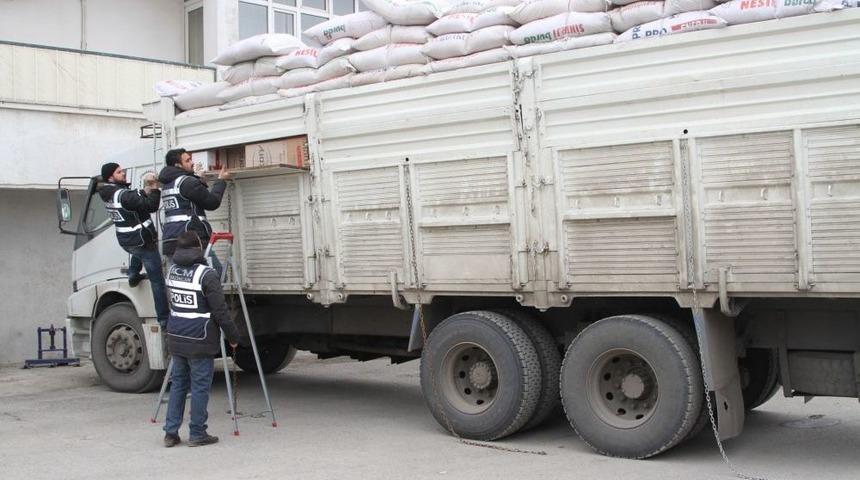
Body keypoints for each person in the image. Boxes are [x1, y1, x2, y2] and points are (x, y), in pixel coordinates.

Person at [163, 231, 242, 447]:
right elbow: (221, 311)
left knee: (178, 384)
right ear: (198, 247)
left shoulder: (171, 271)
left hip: (176, 336)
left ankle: (170, 433)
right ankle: (197, 433)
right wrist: (234, 336)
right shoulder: (206, 275)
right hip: (200, 338)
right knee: (199, 386)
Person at [98, 163, 169, 327]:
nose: (123, 173)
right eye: (119, 172)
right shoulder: (123, 195)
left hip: (127, 241)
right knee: (157, 282)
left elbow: (133, 198)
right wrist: (155, 188)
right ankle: (164, 320)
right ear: (110, 177)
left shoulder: (110, 194)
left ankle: (132, 274)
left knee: (137, 253)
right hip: (142, 241)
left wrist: (145, 190)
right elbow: (151, 206)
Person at [158, 148, 232, 274]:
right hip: (190, 240)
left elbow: (187, 200)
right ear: (178, 165)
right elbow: (211, 202)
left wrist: (198, 180)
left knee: (182, 279)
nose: (192, 162)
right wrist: (221, 181)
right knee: (216, 274)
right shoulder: (187, 182)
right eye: (187, 160)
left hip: (171, 241)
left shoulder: (168, 183)